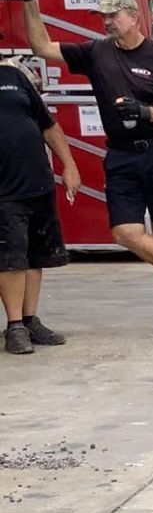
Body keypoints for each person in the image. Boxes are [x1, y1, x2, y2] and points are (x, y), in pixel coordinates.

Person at [21, 0, 153, 336]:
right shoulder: (95, 52)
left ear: (134, 16)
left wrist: (146, 111)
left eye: (113, 15)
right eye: (103, 16)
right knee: (124, 232)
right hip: (121, 154)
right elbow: (41, 47)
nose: (107, 22)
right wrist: (30, 0)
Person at [0, 60, 80, 356]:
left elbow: (49, 125)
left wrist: (69, 165)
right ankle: (14, 325)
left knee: (35, 255)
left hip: (37, 181)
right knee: (10, 258)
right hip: (4, 189)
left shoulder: (14, 76)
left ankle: (30, 319)